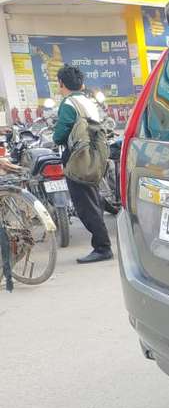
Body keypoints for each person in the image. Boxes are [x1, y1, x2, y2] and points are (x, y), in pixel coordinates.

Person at [52, 65, 113, 263]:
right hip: (94, 156)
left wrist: (56, 134)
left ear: (61, 83)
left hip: (78, 159)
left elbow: (59, 135)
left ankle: (102, 248)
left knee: (85, 205)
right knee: (92, 200)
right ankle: (102, 245)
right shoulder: (88, 101)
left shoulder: (69, 104)